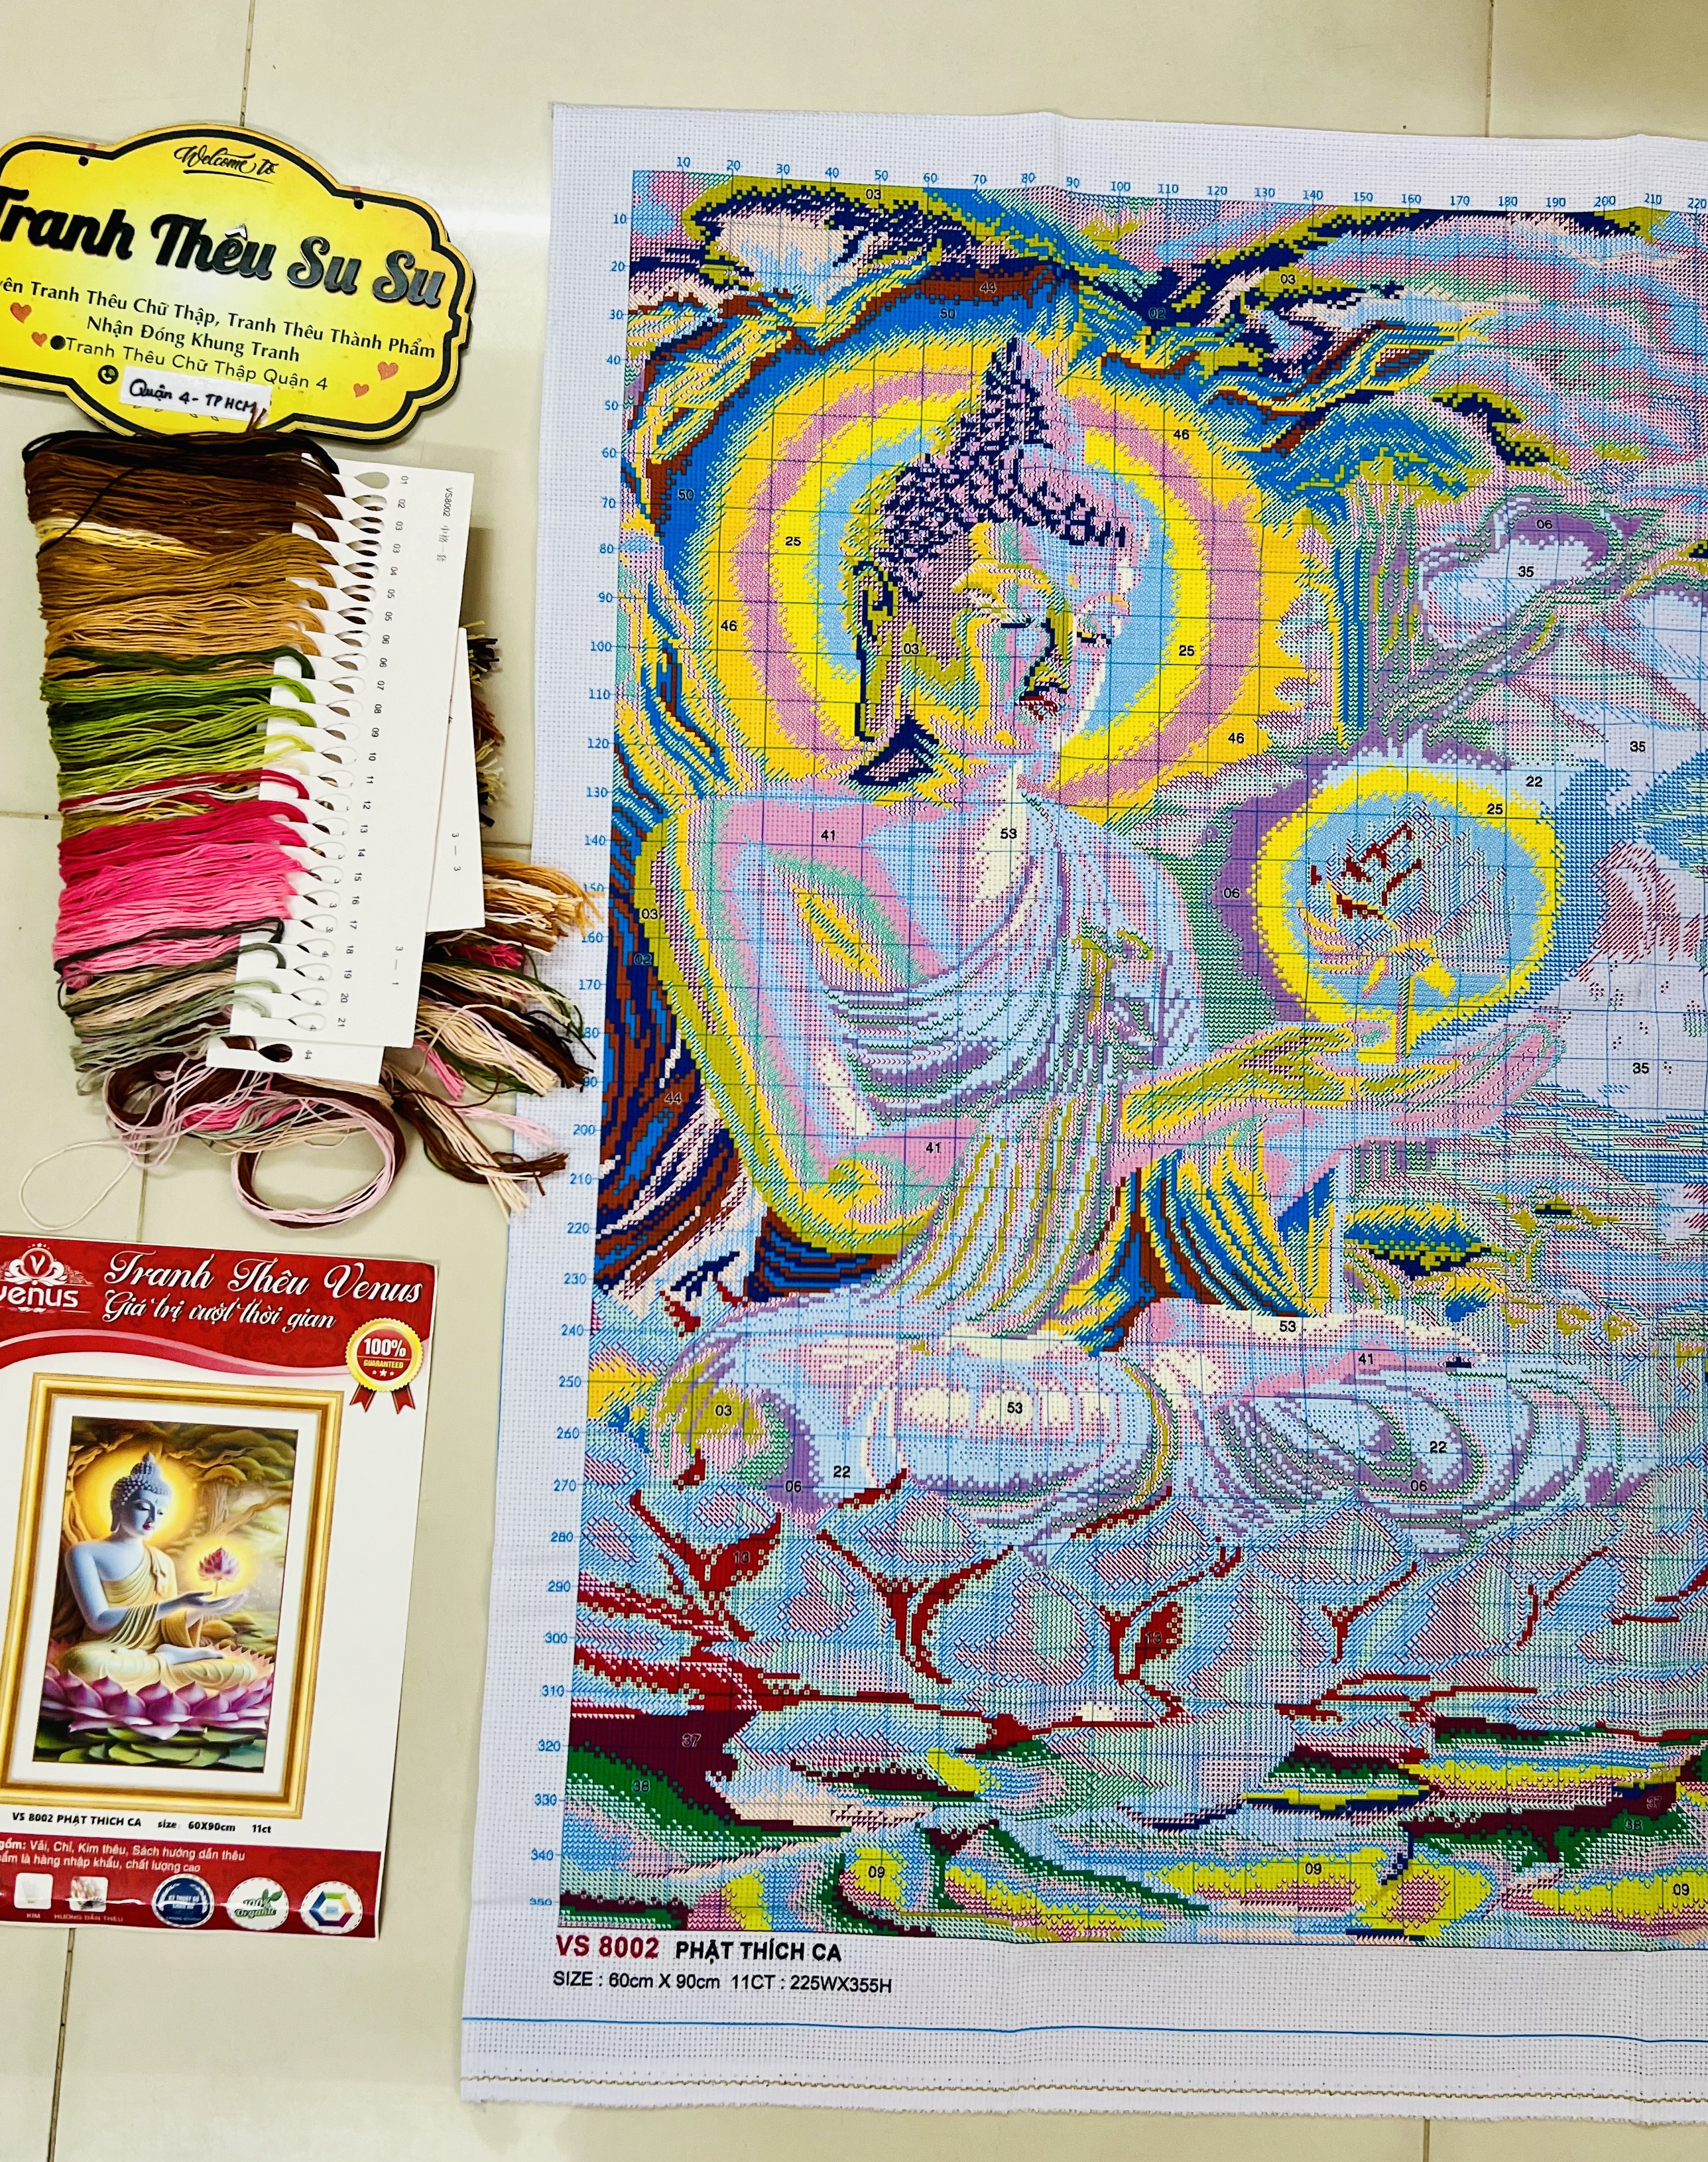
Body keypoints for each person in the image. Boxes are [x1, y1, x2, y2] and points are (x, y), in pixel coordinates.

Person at [634, 343, 1605, 1575]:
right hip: (863, 1327)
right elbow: (842, 1189)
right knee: (789, 1408)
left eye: (1092, 631)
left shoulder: (1124, 888)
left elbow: (1173, 1209)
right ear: (884, 612)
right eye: (1013, 619)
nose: (1056, 667)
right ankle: (1181, 1430)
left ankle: (1183, 1414)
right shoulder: (740, 849)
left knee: (1499, 1403)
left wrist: (1341, 1111)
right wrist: (1218, 1096)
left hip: (1091, 1352)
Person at [55, 1452, 267, 1694]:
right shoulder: (84, 1553)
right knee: (83, 1665)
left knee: (243, 1671)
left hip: (146, 1655)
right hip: (107, 1649)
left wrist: (201, 1610)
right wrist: (178, 1603)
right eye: (143, 1507)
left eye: (162, 1512)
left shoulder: (163, 1562)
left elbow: (164, 1627)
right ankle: (167, 1661)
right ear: (117, 1506)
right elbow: (99, 1621)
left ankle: (165, 1660)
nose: (153, 1518)